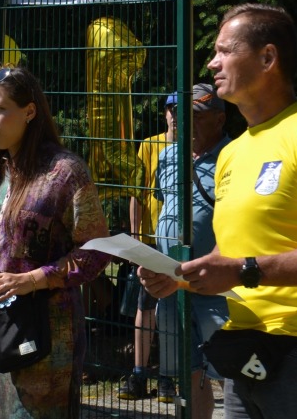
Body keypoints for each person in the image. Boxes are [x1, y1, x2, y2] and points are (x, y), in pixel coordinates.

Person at [140, 3, 297, 419]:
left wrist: (243, 270)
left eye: (225, 51)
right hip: (245, 351)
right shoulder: (234, 152)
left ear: (267, 58)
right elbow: (233, 255)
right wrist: (182, 278)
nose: (212, 63)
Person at [0, 65, 111, 418]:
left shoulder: (64, 172)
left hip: (45, 332)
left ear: (30, 111)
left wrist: (31, 280)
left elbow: (96, 251)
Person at [151, 83, 230, 419]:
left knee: (231, 372)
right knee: (190, 375)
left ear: (219, 119)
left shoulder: (234, 157)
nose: (187, 124)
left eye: (197, 116)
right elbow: (163, 203)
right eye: (181, 116)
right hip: (171, 286)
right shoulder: (167, 156)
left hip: (217, 287)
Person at [120, 93, 175, 401]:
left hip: (178, 242)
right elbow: (137, 192)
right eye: (171, 109)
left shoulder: (195, 147)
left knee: (171, 310)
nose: (175, 115)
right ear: (165, 113)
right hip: (151, 241)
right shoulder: (150, 145)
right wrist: (135, 237)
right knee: (145, 306)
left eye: (180, 110)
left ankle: (168, 376)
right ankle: (139, 374)